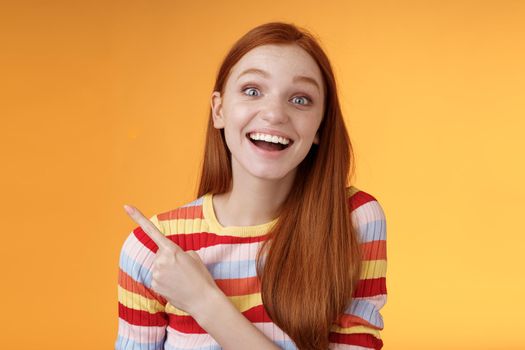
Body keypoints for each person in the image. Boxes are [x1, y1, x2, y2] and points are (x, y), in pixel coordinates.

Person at [115, 22, 387, 350]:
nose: (274, 114)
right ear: (219, 110)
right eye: (252, 91)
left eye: (300, 99)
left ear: (320, 127)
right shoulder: (153, 249)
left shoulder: (353, 219)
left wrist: (204, 302)